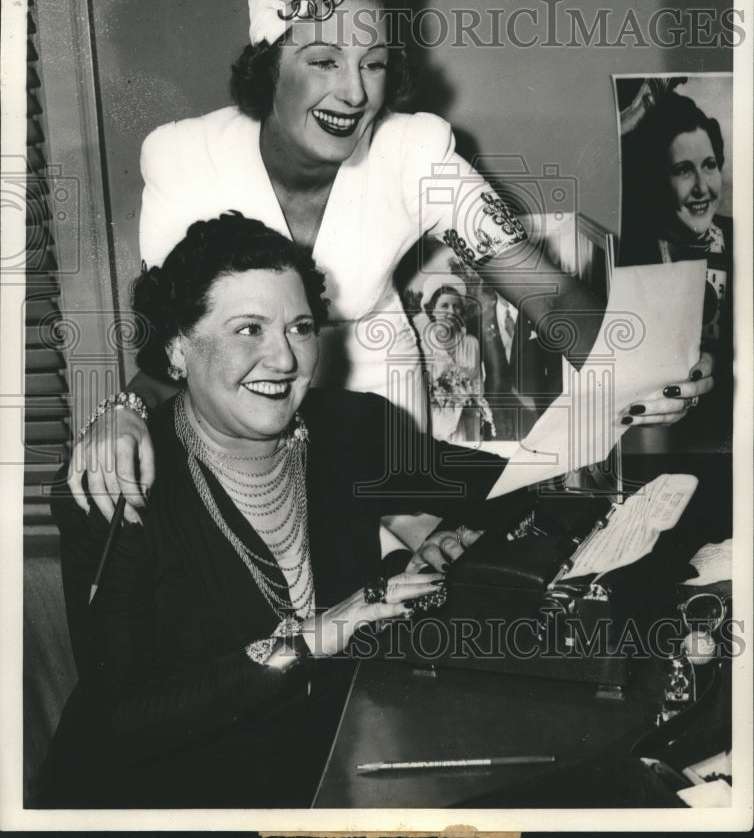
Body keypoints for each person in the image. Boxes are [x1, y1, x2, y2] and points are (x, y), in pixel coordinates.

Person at [69, 0, 712, 523]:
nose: (354, 93)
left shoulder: (413, 150)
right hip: (238, 415)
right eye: (324, 62)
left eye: (372, 64)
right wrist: (121, 409)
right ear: (268, 68)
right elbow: (167, 345)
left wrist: (646, 368)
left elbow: (548, 295)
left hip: (377, 403)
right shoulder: (184, 157)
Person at [39, 214, 526, 809]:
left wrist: (452, 538)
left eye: (300, 328)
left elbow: (518, 483)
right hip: (164, 798)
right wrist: (315, 637)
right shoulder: (117, 485)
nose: (284, 358)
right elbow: (123, 719)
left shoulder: (350, 431)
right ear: (177, 348)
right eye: (249, 329)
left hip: (323, 766)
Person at [618, 89, 731, 446]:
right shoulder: (632, 249)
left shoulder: (741, 240)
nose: (702, 187)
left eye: (709, 165)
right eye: (683, 170)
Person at [415, 274, 492, 443]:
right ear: (432, 310)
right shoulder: (421, 346)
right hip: (435, 424)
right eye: (444, 306)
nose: (451, 312)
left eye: (456, 306)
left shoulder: (472, 344)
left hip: (468, 421)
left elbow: (478, 383)